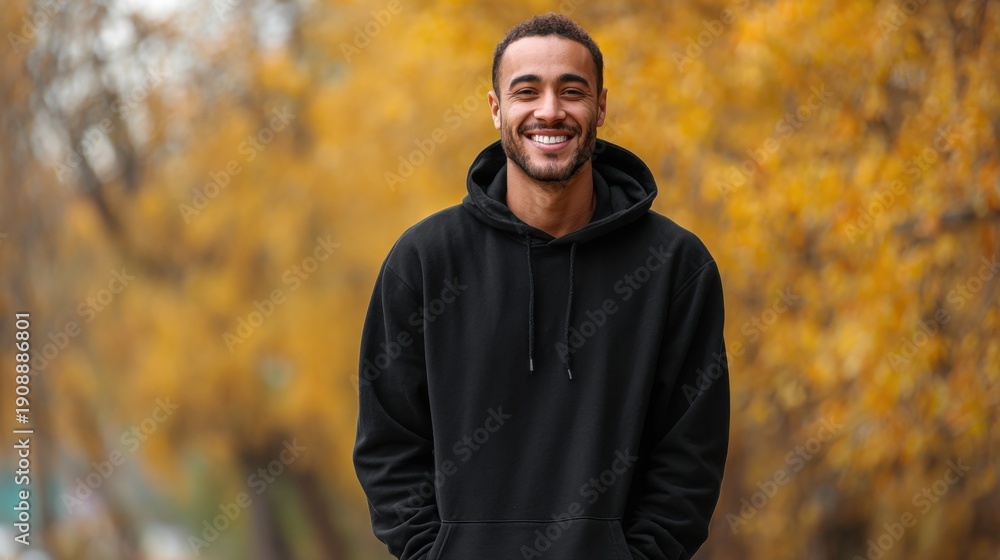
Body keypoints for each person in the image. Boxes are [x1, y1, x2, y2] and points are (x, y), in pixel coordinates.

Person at [354, 12, 729, 560]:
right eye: (526, 91)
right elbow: (388, 444)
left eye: (571, 91)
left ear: (601, 105)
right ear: (496, 108)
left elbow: (690, 456)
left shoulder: (674, 266)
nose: (549, 111)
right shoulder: (423, 263)